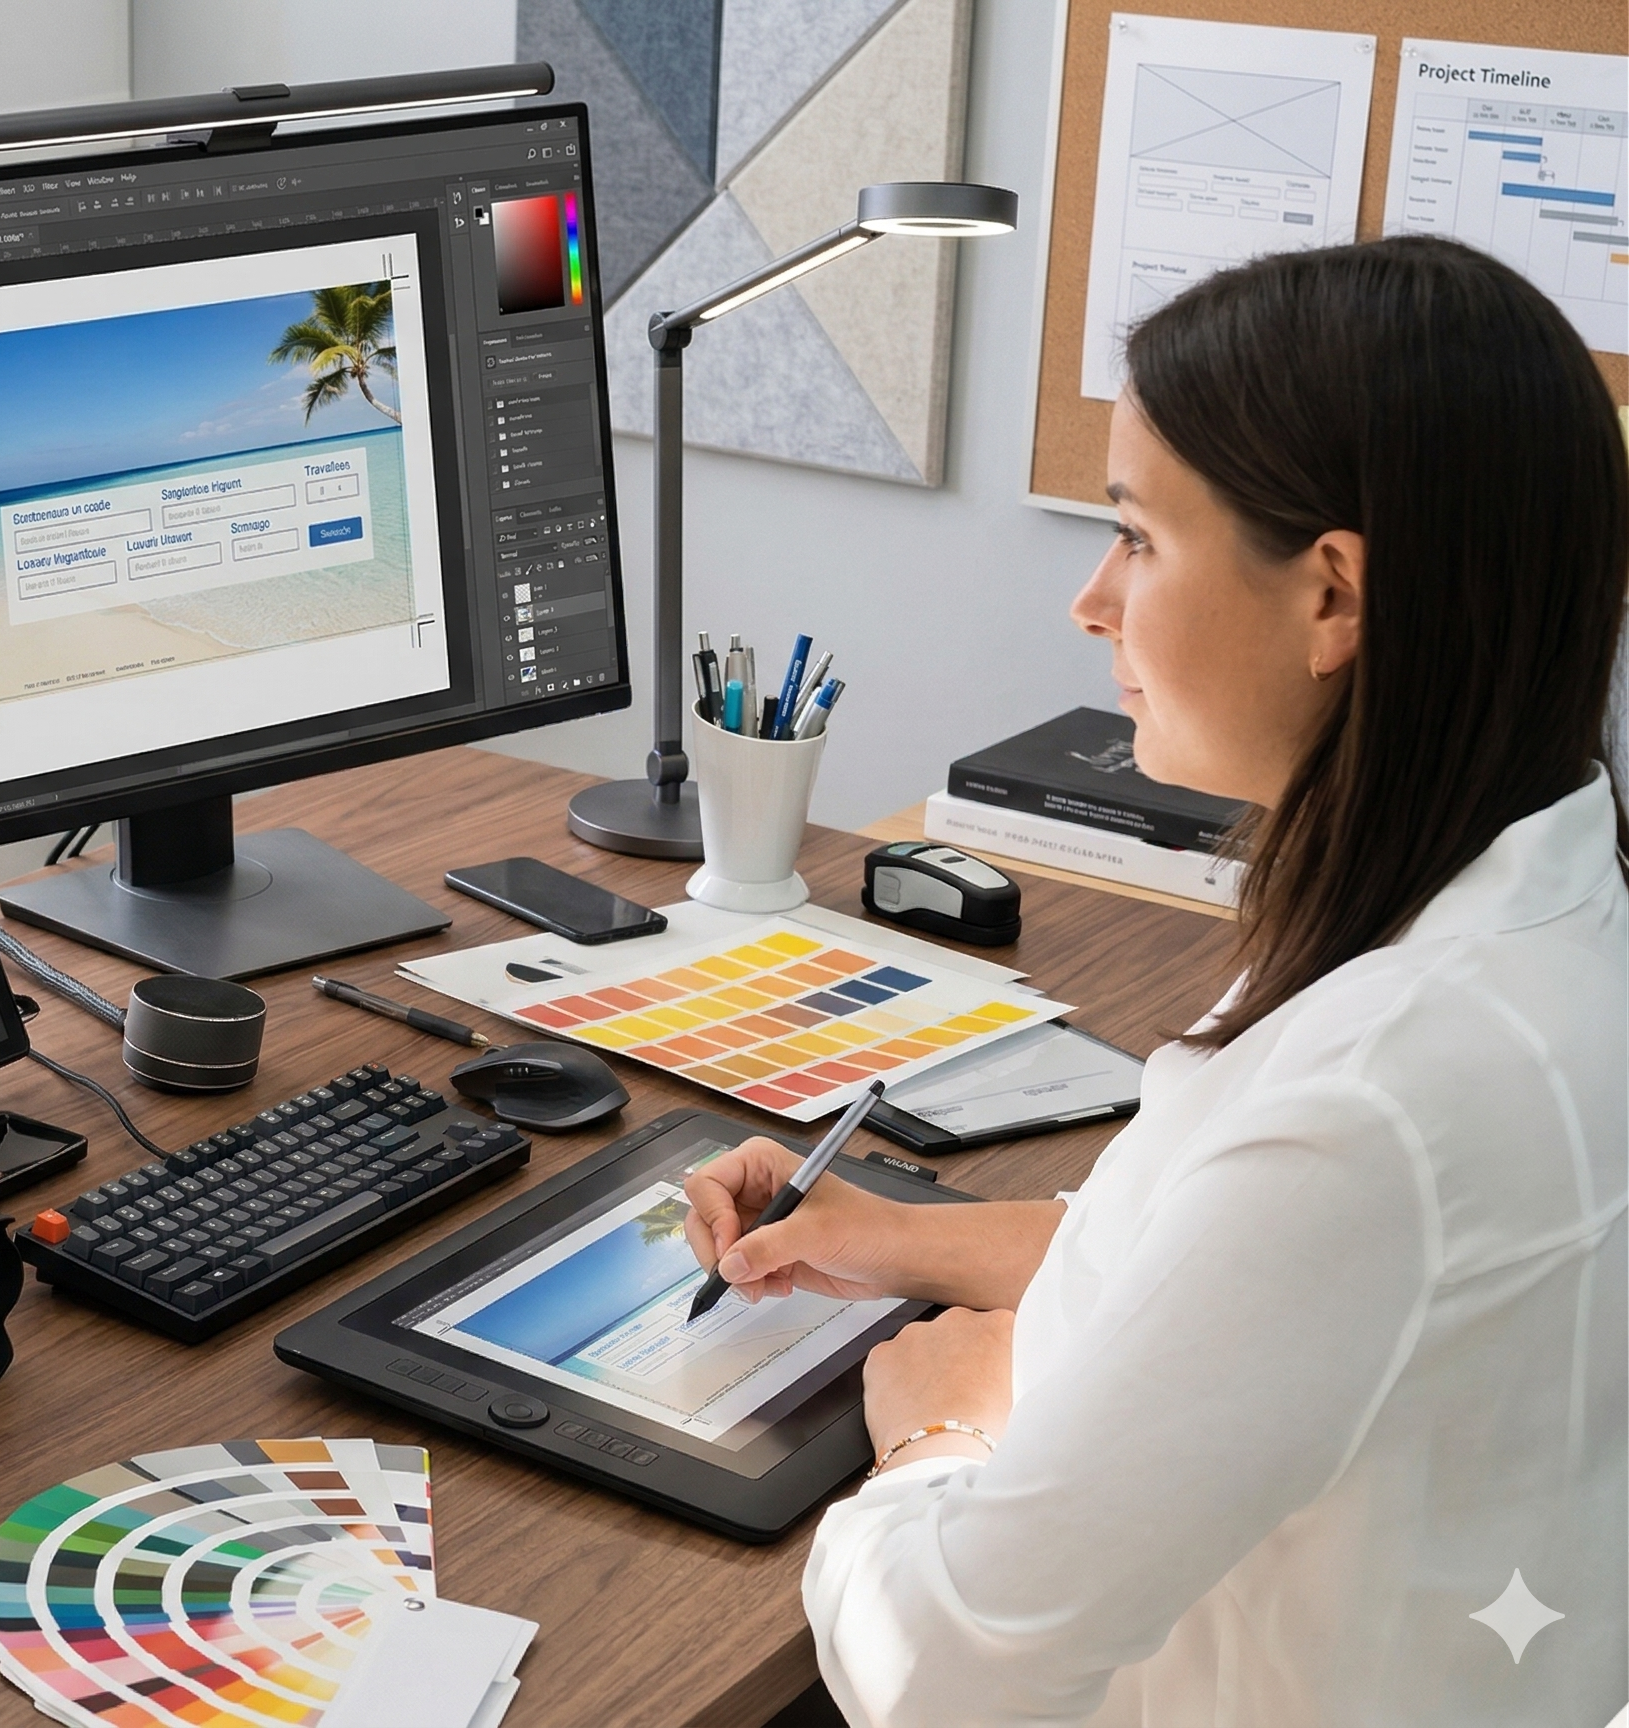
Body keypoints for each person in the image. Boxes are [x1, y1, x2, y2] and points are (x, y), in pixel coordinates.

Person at [685, 235, 1626, 1726]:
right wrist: (904, 1243)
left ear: (1333, 598)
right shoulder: (1546, 907)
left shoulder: (1379, 1105)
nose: (1090, 601)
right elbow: (1265, 1279)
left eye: (1135, 535)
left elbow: (940, 1672)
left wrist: (938, 1437)